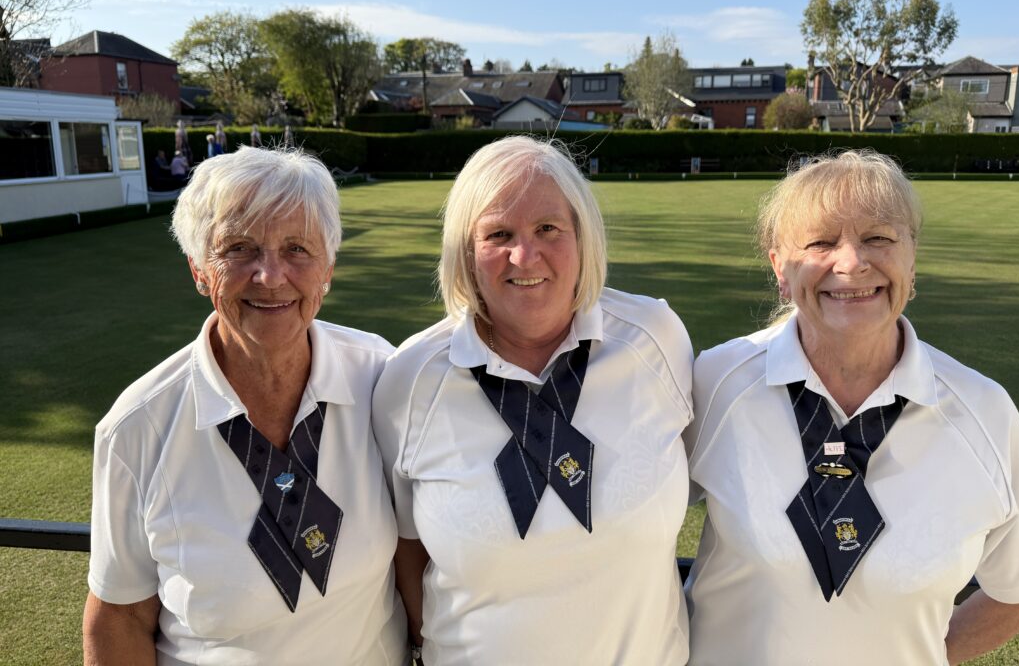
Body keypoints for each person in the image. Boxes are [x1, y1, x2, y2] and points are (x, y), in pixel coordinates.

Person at [684, 150, 1019, 664]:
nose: (852, 262)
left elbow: (1015, 590)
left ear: (912, 258)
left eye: (879, 238)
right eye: (820, 242)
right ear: (780, 268)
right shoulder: (717, 382)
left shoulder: (985, 413)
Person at [372, 135, 694, 664]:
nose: (524, 256)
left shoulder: (654, 339)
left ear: (582, 236)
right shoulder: (410, 380)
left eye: (548, 228)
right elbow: (406, 548)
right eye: (498, 234)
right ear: (465, 251)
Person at [83, 147, 407, 664]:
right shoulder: (137, 428)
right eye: (239, 248)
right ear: (198, 270)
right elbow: (119, 616)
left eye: (297, 248)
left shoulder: (383, 376)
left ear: (328, 268)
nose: (271, 276)